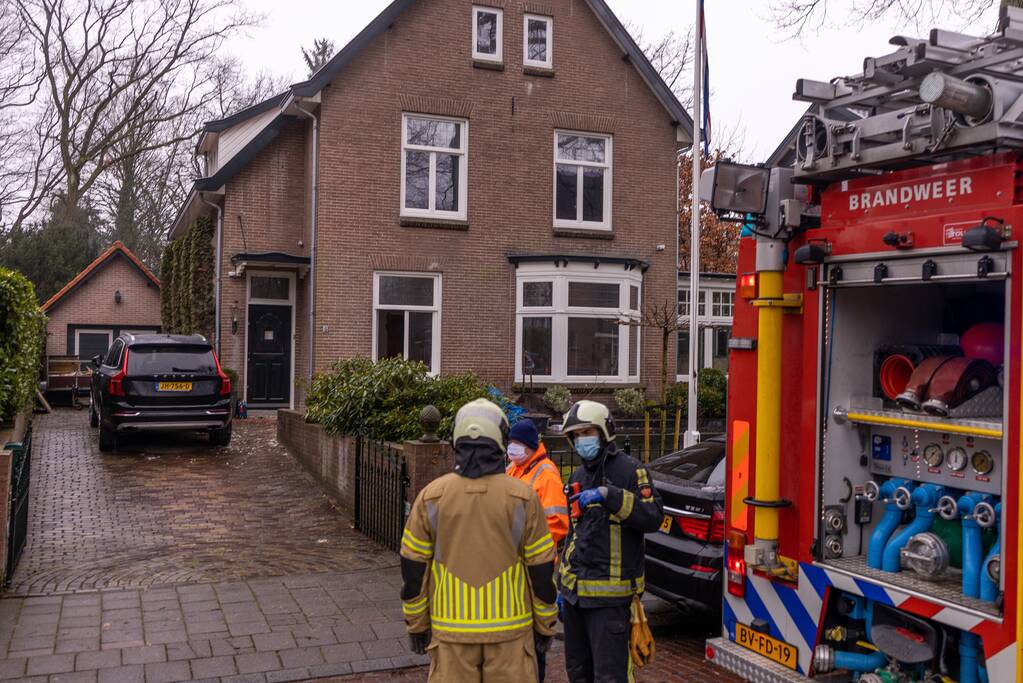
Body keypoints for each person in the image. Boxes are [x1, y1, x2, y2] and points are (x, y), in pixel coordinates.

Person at [399, 398, 559, 682]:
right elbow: (541, 570)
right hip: (511, 635)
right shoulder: (523, 498)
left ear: (456, 441)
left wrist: (417, 625)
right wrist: (545, 624)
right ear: (501, 441)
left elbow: (413, 570)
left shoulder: (431, 497)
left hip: (451, 634)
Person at [558, 400, 664, 683]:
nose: (581, 440)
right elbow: (572, 535)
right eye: (576, 435)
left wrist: (611, 496)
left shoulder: (631, 471)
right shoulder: (578, 476)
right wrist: (562, 587)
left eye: (587, 432)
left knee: (610, 677)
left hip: (610, 603)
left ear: (604, 432)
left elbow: (653, 516)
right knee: (578, 673)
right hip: (575, 599)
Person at [505, 419, 568, 682]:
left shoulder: (547, 475)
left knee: (534, 636)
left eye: (516, 443)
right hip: (512, 566)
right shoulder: (515, 468)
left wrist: (525, 546)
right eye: (510, 442)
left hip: (535, 566)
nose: (511, 448)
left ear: (530, 446)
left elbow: (557, 522)